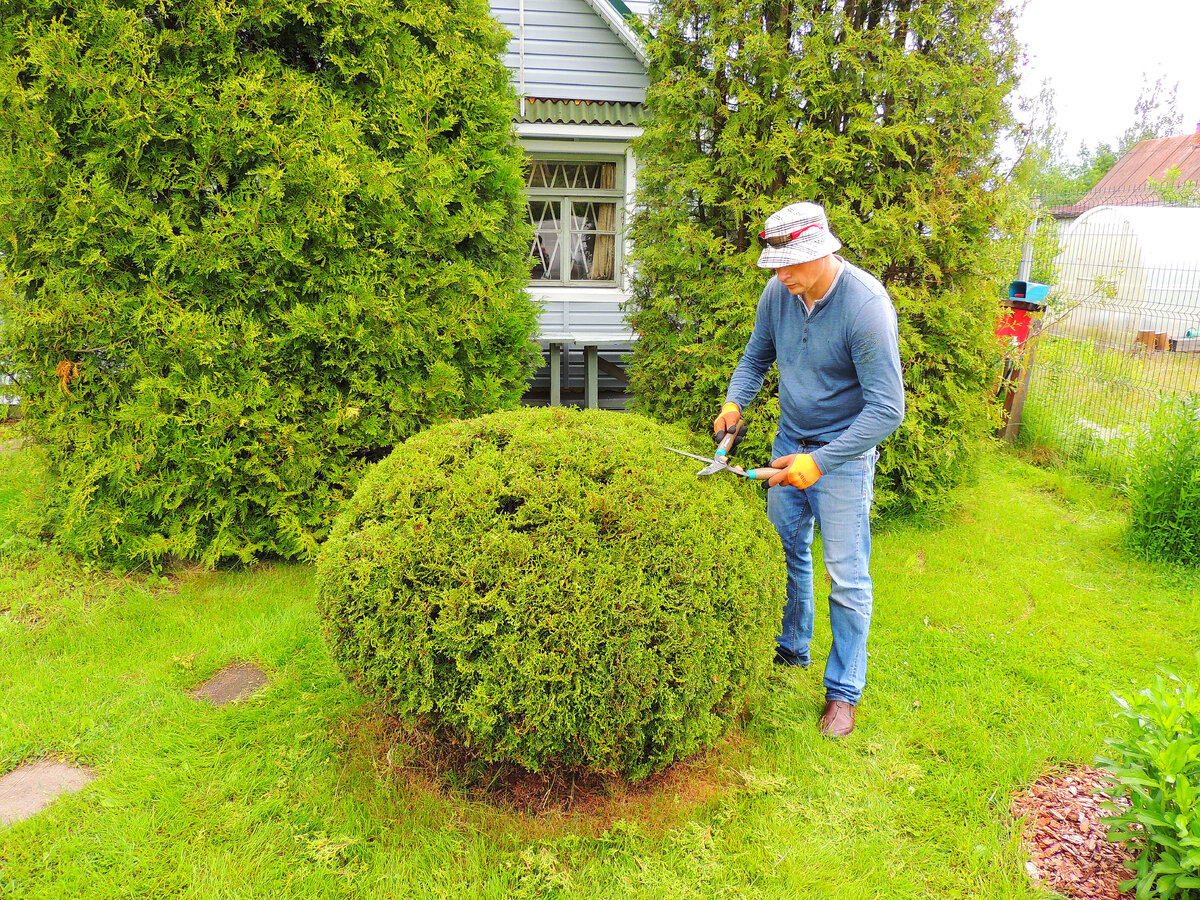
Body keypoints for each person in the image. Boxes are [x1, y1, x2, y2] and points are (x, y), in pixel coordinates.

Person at [713, 201, 904, 738]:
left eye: (792, 263)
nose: (782, 275)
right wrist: (735, 404)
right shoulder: (779, 294)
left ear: (824, 251)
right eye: (776, 264)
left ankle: (843, 692)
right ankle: (791, 648)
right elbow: (755, 358)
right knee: (786, 553)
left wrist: (818, 464)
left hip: (840, 458)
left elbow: (888, 409)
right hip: (787, 441)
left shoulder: (865, 307)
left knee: (846, 576)